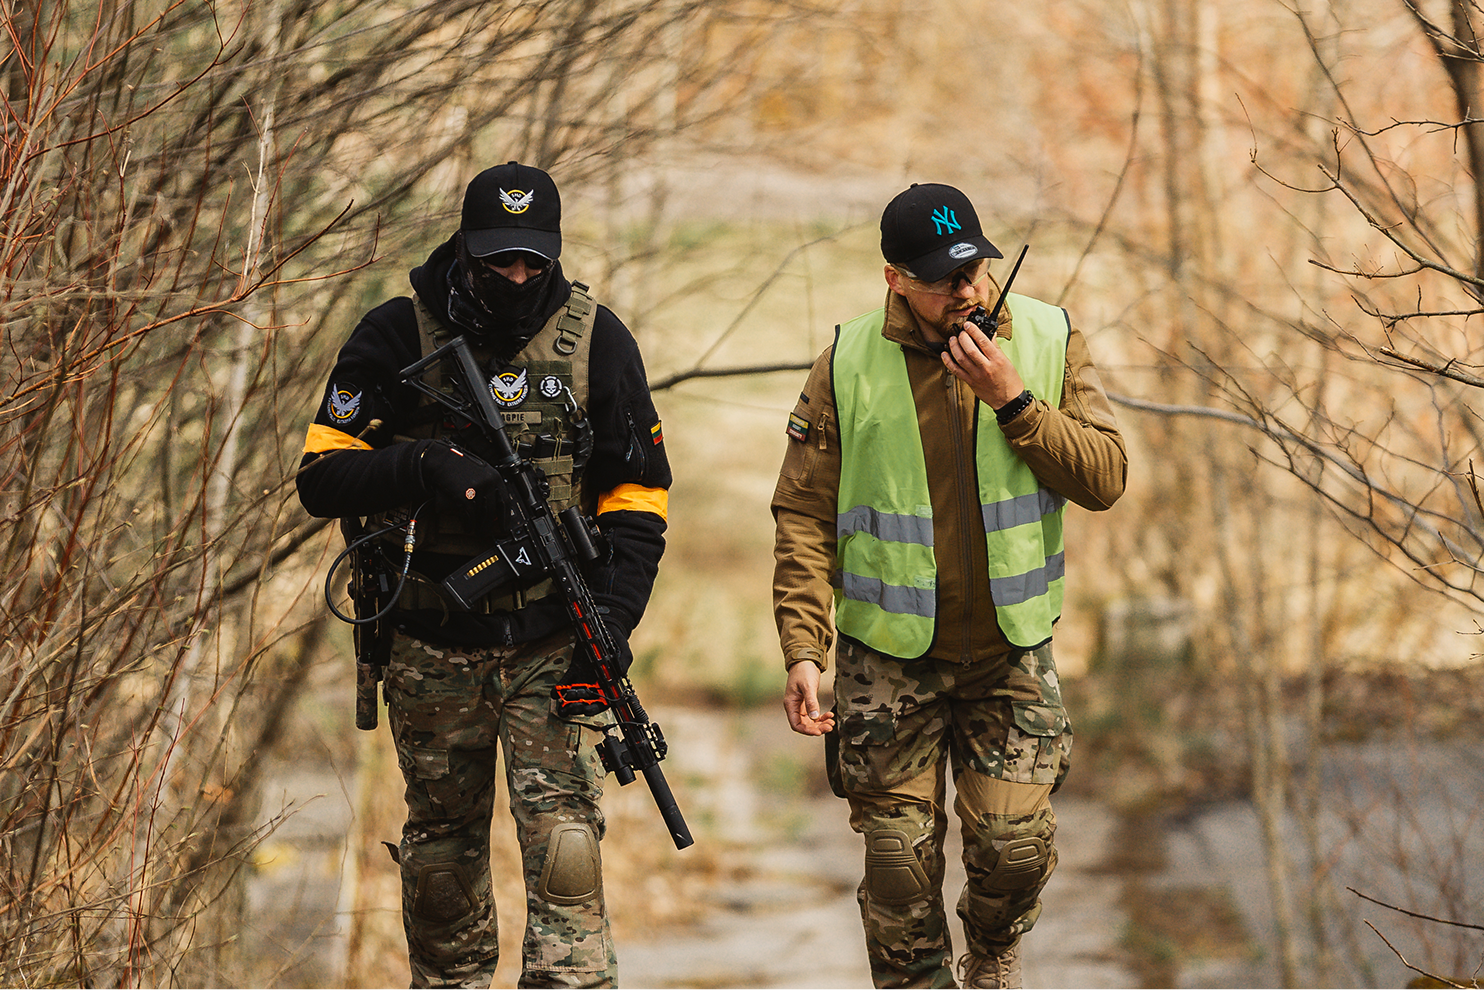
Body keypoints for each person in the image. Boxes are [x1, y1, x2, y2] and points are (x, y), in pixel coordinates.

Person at [297, 161, 670, 990]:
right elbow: (321, 476)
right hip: (431, 643)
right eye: (498, 259)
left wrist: (610, 624)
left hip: (551, 641)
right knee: (440, 859)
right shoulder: (396, 334)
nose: (515, 276)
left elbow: (638, 498)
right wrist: (426, 462)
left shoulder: (596, 340)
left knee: (567, 846)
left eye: (532, 260)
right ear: (465, 248)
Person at [772, 182, 1126, 990]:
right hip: (887, 657)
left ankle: (994, 949)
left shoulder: (1048, 337)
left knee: (1013, 853)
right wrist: (803, 647)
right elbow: (800, 513)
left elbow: (1106, 477)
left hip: (1009, 647)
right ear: (895, 278)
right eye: (941, 276)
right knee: (899, 869)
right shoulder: (847, 359)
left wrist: (1014, 399)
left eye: (975, 266)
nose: (966, 287)